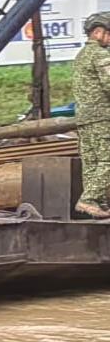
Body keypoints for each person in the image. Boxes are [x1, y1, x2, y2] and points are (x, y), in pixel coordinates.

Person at [72, 12, 110, 218]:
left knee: (92, 163)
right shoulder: (101, 55)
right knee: (108, 161)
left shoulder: (80, 56)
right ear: (97, 32)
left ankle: (99, 205)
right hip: (102, 117)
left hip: (84, 118)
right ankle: (88, 200)